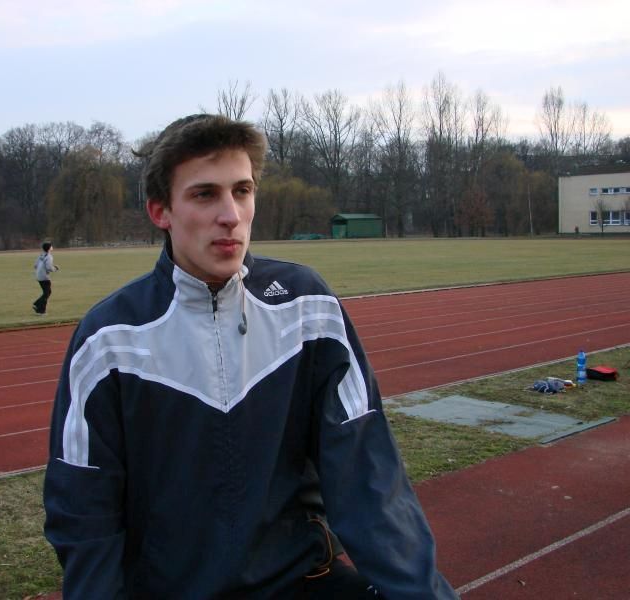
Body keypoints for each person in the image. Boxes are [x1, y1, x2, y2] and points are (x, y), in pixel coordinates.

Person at [43, 114, 457, 599]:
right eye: (205, 194)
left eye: (242, 191)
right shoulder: (109, 340)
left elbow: (367, 477)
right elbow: (83, 511)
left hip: (300, 581)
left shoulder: (308, 308)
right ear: (161, 211)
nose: (231, 215)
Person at [33, 241, 58, 315]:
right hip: (44, 277)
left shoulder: (41, 255)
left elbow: (35, 265)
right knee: (47, 293)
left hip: (38, 275)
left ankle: (38, 306)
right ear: (49, 248)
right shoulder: (49, 256)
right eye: (51, 246)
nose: (52, 247)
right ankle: (41, 310)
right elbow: (49, 267)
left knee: (47, 292)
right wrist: (55, 269)